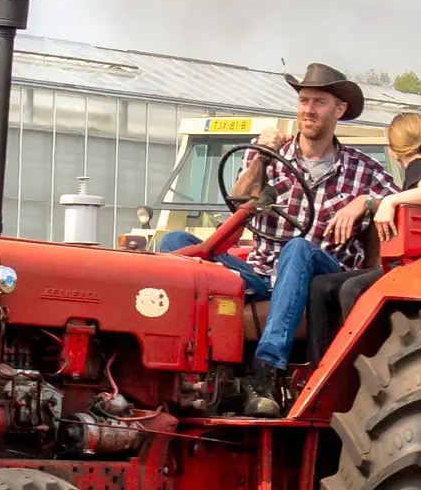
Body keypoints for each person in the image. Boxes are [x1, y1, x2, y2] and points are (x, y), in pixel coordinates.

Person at [159, 63, 399, 416]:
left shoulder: (363, 169)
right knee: (174, 242)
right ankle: (176, 365)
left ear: (339, 109)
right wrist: (258, 154)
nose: (308, 110)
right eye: (303, 101)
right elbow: (240, 202)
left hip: (321, 277)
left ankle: (266, 371)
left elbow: (408, 200)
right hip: (264, 274)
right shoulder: (272, 158)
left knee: (298, 249)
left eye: (318, 102)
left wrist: (366, 202)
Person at [304, 112, 421, 361]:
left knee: (352, 289)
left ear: (392, 150)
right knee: (322, 286)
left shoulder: (419, 164)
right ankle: (319, 364)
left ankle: (359, 363)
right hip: (409, 261)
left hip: (417, 263)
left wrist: (390, 200)